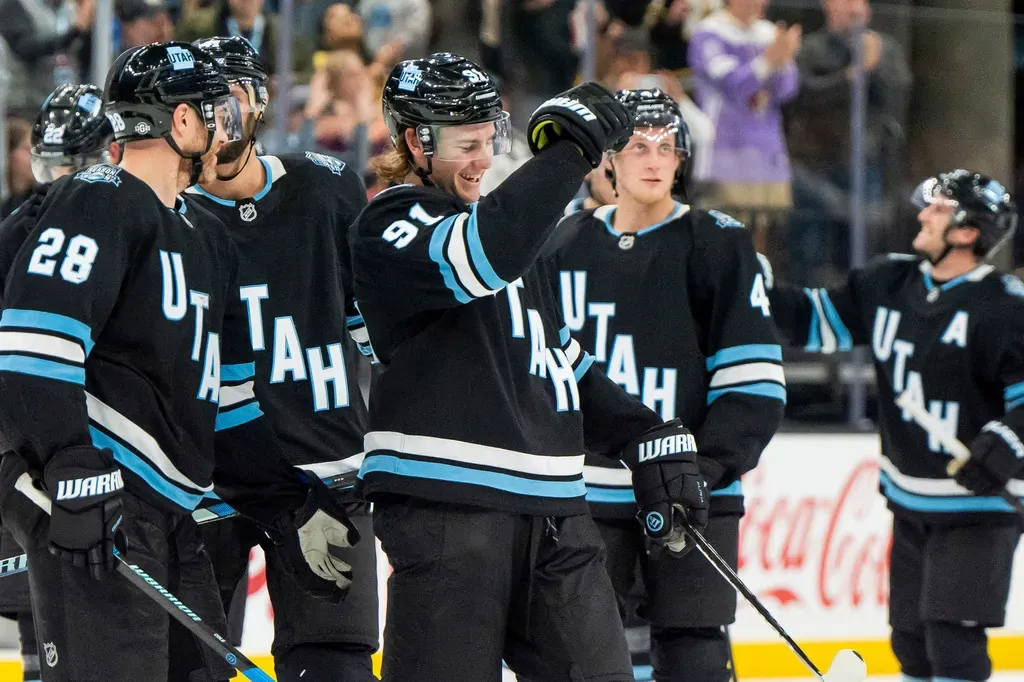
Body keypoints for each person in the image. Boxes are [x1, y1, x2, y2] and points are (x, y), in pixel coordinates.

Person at [0, 41, 356, 682]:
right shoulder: (95, 197)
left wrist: (289, 505)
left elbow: (230, 404)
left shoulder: (207, 239)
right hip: (104, 505)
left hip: (175, 519)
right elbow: (34, 347)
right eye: (214, 109)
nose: (228, 124)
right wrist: (70, 467)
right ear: (183, 122)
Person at [350, 52, 710, 681]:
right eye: (467, 144)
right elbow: (483, 255)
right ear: (415, 141)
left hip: (557, 515)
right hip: (449, 511)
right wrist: (571, 152)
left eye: (489, 141)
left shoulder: (512, 235)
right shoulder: (390, 225)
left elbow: (558, 361)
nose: (483, 161)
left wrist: (645, 435)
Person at [550, 88, 785, 682]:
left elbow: (753, 380)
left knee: (694, 646)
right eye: (637, 147)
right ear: (608, 159)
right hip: (588, 491)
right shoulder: (561, 244)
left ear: (682, 159)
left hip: (694, 491)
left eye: (667, 147)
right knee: (582, 649)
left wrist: (702, 471)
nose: (655, 160)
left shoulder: (718, 243)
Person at [766, 170, 1024, 682]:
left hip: (980, 505)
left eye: (939, 209)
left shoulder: (1004, 307)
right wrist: (752, 286)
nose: (924, 214)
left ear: (967, 232)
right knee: (911, 645)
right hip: (910, 499)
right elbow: (813, 321)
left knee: (953, 643)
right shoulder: (888, 283)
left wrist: (1004, 441)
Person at [185, 35, 378, 682]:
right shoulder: (163, 218)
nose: (217, 115)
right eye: (199, 101)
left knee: (338, 665)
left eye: (230, 96)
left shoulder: (327, 188)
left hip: (329, 477)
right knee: (185, 666)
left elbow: (373, 333)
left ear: (259, 100)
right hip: (199, 488)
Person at [0, 80, 119, 682]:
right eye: (53, 164)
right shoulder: (17, 228)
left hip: (108, 461)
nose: (60, 179)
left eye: (75, 164)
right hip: (36, 458)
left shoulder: (145, 226)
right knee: (35, 616)